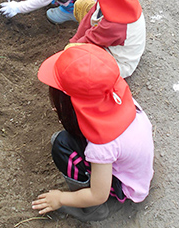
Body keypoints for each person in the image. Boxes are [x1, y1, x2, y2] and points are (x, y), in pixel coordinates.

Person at [32, 44, 154, 222]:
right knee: (64, 141)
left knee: (61, 145)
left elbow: (98, 195)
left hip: (125, 186)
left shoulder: (102, 145)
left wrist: (59, 198)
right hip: (136, 170)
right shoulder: (117, 97)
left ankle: (90, 211)